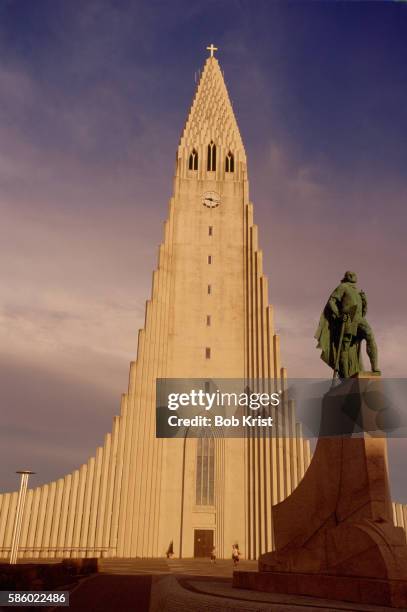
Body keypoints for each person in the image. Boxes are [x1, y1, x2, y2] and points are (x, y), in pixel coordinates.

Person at [315, 271, 380, 378]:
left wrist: (364, 301)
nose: (353, 276)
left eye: (354, 275)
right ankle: (345, 376)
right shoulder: (343, 287)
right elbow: (332, 301)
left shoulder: (357, 291)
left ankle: (375, 368)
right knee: (345, 346)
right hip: (348, 319)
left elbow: (363, 312)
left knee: (370, 335)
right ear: (346, 277)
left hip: (359, 319)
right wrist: (339, 314)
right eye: (350, 275)